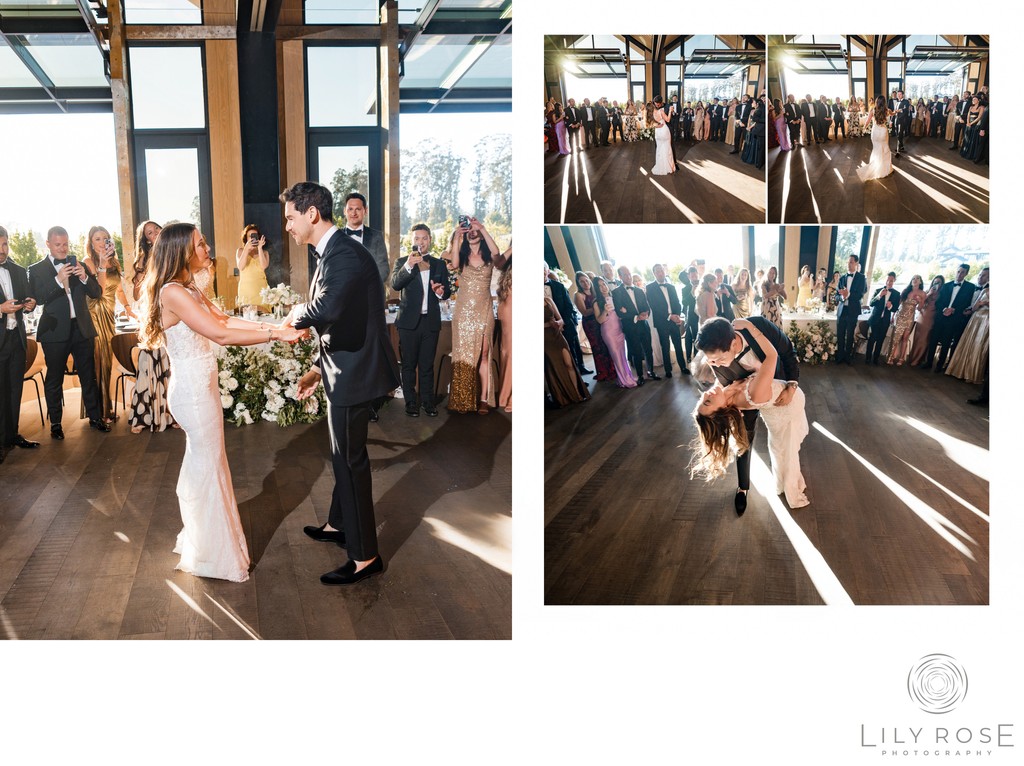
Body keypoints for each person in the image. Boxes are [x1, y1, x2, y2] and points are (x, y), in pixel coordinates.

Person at [138, 222, 303, 582]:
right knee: (209, 463)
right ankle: (213, 553)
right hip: (193, 392)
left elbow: (226, 318)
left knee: (209, 461)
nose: (207, 247)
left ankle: (201, 536)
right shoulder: (172, 292)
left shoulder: (188, 288)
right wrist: (276, 333)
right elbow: (220, 334)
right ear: (181, 250)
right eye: (200, 243)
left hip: (203, 385)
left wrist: (275, 326)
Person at [281, 181, 400, 586]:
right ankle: (337, 523)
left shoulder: (344, 254)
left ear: (311, 214)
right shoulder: (332, 251)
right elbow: (342, 320)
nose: (287, 227)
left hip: (356, 372)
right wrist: (317, 366)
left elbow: (326, 308)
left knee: (350, 460)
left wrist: (291, 319)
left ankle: (365, 556)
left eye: (290, 218)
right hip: (341, 366)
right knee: (342, 453)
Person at [693, 317, 804, 513]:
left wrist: (792, 385)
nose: (713, 364)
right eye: (710, 359)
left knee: (782, 443)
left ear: (734, 343)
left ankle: (787, 480)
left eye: (718, 359)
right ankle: (743, 487)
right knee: (743, 441)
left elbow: (787, 352)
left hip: (780, 396)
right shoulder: (714, 355)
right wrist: (727, 395)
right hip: (749, 397)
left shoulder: (759, 326)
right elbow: (721, 384)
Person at [27, 226, 110, 439]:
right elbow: (39, 298)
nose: (63, 249)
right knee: (54, 379)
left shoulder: (79, 265)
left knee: (88, 376)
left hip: (81, 328)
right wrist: (58, 280)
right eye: (57, 245)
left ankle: (95, 417)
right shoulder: (36, 269)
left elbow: (96, 293)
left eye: (65, 244)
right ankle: (56, 423)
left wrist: (84, 277)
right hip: (54, 333)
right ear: (48, 244)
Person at [447, 218, 507, 414]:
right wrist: (457, 236)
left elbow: (498, 254)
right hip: (463, 311)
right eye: (469, 230)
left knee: (483, 354)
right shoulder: (460, 254)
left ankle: (483, 399)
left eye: (475, 230)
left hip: (484, 309)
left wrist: (483, 228)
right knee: (464, 356)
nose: (472, 232)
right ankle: (463, 398)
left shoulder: (491, 256)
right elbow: (454, 263)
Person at [390, 223, 450, 418]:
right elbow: (396, 284)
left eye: (424, 238)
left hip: (430, 321)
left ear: (429, 240)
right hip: (408, 322)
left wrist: (441, 292)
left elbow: (447, 291)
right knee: (408, 365)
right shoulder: (402, 262)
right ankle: (410, 402)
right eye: (417, 238)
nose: (420, 242)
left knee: (426, 365)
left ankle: (427, 402)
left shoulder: (439, 264)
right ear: (412, 240)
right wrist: (409, 265)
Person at [126, 220, 176, 433]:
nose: (155, 233)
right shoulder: (143, 261)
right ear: (146, 240)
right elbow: (137, 295)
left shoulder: (171, 255)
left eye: (156, 229)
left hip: (171, 314)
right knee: (148, 365)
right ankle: (143, 416)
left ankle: (172, 413)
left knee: (170, 367)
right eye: (150, 232)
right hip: (151, 315)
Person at [82, 226, 130, 423]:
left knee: (107, 361)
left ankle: (105, 407)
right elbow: (99, 291)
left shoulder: (115, 263)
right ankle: (101, 412)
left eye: (105, 238)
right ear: (91, 244)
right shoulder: (87, 262)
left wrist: (128, 307)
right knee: (99, 361)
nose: (102, 242)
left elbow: (117, 289)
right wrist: (101, 264)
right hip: (95, 313)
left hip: (109, 315)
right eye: (97, 239)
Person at [0, 226, 39, 462]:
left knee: (15, 390)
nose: (2, 251)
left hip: (16, 340)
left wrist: (31, 304)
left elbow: (28, 296)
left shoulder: (16, 269)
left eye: (4, 245)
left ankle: (11, 435)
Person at [924, 263, 977, 373]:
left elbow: (967, 303)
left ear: (966, 273)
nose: (959, 274)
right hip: (941, 317)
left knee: (946, 342)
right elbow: (939, 301)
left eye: (962, 272)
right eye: (958, 271)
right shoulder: (946, 285)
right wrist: (944, 309)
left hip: (954, 319)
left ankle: (940, 365)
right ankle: (928, 362)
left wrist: (954, 310)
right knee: (933, 340)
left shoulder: (970, 287)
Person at [612, 265, 658, 383]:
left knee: (648, 349)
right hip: (631, 327)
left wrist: (645, 314)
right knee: (636, 352)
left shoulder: (639, 290)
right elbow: (619, 311)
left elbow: (646, 306)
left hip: (644, 324)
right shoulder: (617, 292)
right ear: (620, 276)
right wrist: (635, 316)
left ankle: (651, 371)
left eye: (629, 274)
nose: (629, 277)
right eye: (625, 275)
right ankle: (640, 376)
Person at [544, 296, 590, 407]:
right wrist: (548, 324)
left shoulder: (548, 299)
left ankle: (577, 392)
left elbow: (560, 318)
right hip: (544, 338)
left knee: (569, 363)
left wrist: (558, 323)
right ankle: (566, 395)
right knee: (556, 367)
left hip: (557, 335)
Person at [946, 267, 989, 384]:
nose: (981, 277)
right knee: (961, 342)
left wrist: (981, 305)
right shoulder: (973, 287)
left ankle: (972, 372)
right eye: (980, 275)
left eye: (984, 275)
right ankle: (955, 366)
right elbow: (970, 303)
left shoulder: (986, 290)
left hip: (983, 321)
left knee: (977, 346)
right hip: (967, 318)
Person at [592, 276, 636, 389]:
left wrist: (623, 311)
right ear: (596, 289)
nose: (603, 287)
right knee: (616, 355)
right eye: (599, 286)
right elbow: (599, 320)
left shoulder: (614, 296)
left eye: (604, 284)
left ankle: (627, 376)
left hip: (619, 329)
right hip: (608, 332)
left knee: (622, 354)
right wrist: (605, 311)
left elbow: (620, 313)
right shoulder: (596, 303)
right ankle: (624, 380)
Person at [644, 263, 688, 377]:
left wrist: (677, 315)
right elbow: (654, 306)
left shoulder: (671, 287)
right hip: (662, 322)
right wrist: (669, 316)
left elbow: (677, 303)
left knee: (678, 344)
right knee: (665, 346)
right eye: (658, 271)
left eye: (662, 270)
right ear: (654, 273)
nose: (660, 272)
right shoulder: (650, 288)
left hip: (674, 320)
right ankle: (668, 370)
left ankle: (683, 366)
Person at [544, 262, 588, 374]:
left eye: (543, 269)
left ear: (548, 271)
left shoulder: (559, 286)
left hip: (565, 325)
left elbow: (569, 307)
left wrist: (562, 322)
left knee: (572, 353)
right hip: (547, 330)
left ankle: (579, 379)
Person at [338, 192, 390, 287]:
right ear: (345, 211)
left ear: (365, 211)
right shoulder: (336, 237)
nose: (353, 213)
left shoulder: (376, 236)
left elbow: (384, 269)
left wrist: (367, 285)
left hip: (369, 295)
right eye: (350, 209)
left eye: (358, 209)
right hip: (342, 295)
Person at [574, 271, 615, 384]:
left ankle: (612, 369)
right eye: (582, 281)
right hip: (590, 324)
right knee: (597, 347)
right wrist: (598, 307)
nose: (585, 283)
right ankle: (603, 372)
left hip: (601, 321)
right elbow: (585, 312)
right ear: (578, 283)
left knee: (606, 345)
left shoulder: (595, 291)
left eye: (586, 280)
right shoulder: (578, 295)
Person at [835, 255, 866, 364]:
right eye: (848, 262)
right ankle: (840, 357)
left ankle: (848, 357)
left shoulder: (861, 278)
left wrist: (848, 295)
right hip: (842, 310)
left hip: (852, 310)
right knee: (840, 334)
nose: (849, 264)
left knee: (850, 335)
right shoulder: (842, 278)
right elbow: (836, 295)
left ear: (856, 264)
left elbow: (860, 295)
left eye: (851, 262)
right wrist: (842, 297)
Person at [888, 274, 926, 365]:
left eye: (917, 279)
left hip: (910, 317)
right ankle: (891, 357)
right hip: (900, 315)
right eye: (913, 278)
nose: (915, 280)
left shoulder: (923, 293)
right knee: (896, 337)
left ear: (920, 281)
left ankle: (901, 358)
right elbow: (898, 304)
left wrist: (920, 301)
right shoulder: (906, 291)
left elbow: (920, 308)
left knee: (905, 338)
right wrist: (893, 315)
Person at [865, 272, 900, 365]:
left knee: (880, 340)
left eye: (891, 280)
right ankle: (868, 358)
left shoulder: (896, 294)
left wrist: (890, 306)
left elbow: (896, 308)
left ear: (894, 281)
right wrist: (879, 296)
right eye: (888, 280)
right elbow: (871, 303)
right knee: (872, 339)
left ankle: (875, 359)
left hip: (885, 321)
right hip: (875, 319)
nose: (889, 282)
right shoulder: (878, 290)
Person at [909, 275, 944, 367]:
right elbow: (919, 306)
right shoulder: (927, 292)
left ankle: (918, 359)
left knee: (924, 339)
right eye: (935, 282)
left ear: (941, 284)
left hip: (931, 317)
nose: (936, 284)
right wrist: (929, 294)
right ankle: (913, 357)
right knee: (917, 337)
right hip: (922, 315)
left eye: (938, 282)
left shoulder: (942, 294)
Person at [858, 97, 893, 182]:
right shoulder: (887, 110)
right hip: (883, 131)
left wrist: (864, 128)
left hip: (875, 132)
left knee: (876, 149)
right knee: (884, 149)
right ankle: (884, 169)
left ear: (876, 102)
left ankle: (876, 167)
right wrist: (895, 112)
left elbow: (867, 121)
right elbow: (892, 115)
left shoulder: (872, 110)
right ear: (884, 102)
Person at [235, 224, 270, 308]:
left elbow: (264, 266)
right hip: (246, 291)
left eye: (254, 236)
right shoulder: (240, 251)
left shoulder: (265, 252)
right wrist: (246, 249)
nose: (252, 238)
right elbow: (241, 267)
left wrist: (260, 248)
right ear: (246, 238)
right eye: (250, 236)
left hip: (261, 291)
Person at [495, 244, 512, 413]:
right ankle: (507, 395)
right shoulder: (507, 263)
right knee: (508, 352)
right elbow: (498, 264)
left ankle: (511, 396)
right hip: (508, 311)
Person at [650, 96, 675, 176]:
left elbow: (650, 121)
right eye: (656, 104)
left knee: (660, 148)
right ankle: (668, 167)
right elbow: (667, 119)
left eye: (658, 104)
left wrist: (655, 125)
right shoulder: (660, 111)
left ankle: (661, 165)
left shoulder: (652, 111)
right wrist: (670, 111)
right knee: (666, 148)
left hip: (658, 132)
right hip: (663, 130)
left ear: (661, 103)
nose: (657, 105)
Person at [742, 93, 766, 169]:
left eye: (753, 102)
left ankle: (758, 162)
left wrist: (751, 126)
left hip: (758, 130)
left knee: (760, 147)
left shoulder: (758, 110)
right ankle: (757, 161)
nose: (752, 103)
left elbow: (755, 120)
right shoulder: (755, 110)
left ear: (757, 104)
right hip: (754, 129)